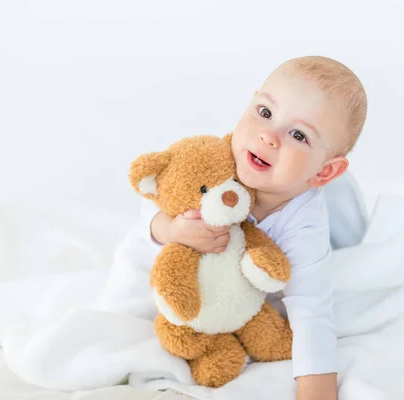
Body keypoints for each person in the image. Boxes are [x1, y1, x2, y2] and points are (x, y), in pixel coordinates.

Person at [141, 55, 368, 400]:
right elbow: (154, 198)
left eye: (297, 134)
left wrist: (317, 393)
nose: (268, 136)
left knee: (357, 260)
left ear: (323, 172)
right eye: (265, 113)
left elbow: (312, 312)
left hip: (340, 230)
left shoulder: (304, 224)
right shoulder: (218, 158)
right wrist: (170, 228)